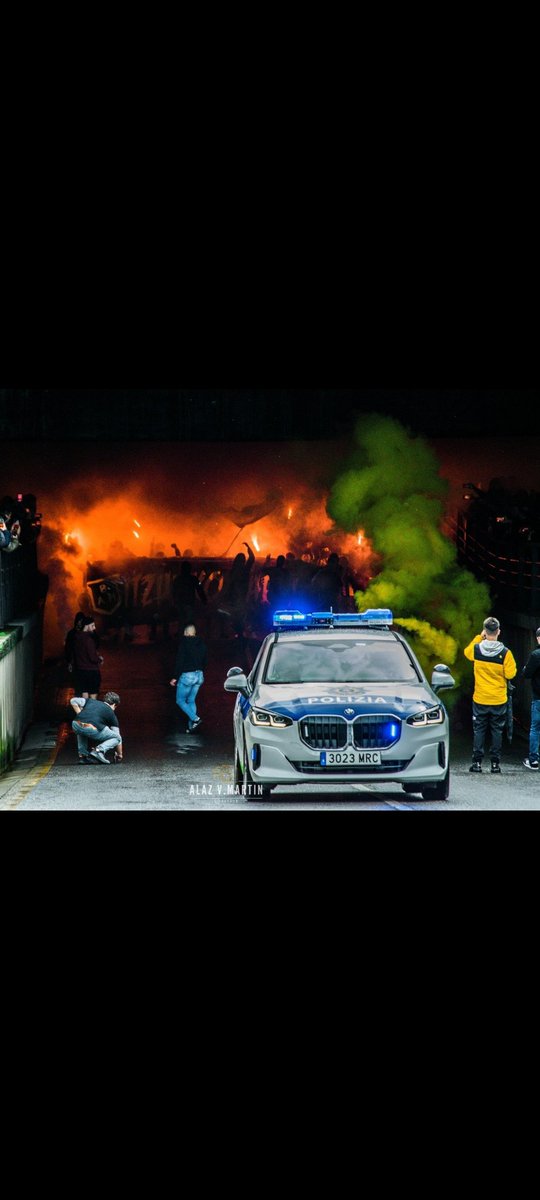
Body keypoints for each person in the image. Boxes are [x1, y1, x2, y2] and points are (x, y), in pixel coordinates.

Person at [464, 616, 517, 774]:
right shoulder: (505, 653)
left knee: (479, 729)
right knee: (496, 731)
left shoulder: (476, 649)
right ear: (499, 631)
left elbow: (466, 653)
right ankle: (495, 764)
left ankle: (477, 763)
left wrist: (479, 637)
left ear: (485, 631)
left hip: (480, 698)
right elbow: (511, 673)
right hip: (498, 699)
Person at [170, 623, 207, 732]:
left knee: (180, 701)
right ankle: (191, 727)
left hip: (187, 676)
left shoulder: (184, 644)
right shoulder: (202, 644)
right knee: (191, 700)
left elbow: (179, 662)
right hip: (199, 675)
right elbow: (205, 660)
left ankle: (196, 719)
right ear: (194, 633)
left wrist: (175, 677)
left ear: (186, 633)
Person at [70, 691, 123, 764]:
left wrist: (80, 714)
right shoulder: (111, 713)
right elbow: (117, 736)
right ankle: (99, 750)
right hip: (90, 728)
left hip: (75, 724)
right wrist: (119, 754)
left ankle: (83, 756)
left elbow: (73, 700)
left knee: (82, 730)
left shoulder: (91, 701)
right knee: (116, 737)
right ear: (114, 704)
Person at [70, 616, 103, 698]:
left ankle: (85, 710)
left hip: (80, 670)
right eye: (92, 626)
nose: (94, 628)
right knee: (93, 696)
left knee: (84, 693)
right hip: (91, 671)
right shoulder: (89, 640)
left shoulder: (76, 638)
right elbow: (92, 657)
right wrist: (100, 659)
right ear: (87, 626)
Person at [521, 627, 540, 770]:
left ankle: (533, 760)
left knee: (535, 729)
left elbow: (527, 674)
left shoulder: (536, 655)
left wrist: (525, 668)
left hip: (538, 698)